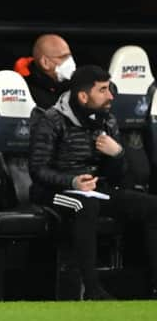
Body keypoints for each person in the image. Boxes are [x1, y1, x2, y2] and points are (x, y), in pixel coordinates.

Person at [29, 65, 157, 300]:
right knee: (84, 206)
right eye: (103, 90)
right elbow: (37, 170)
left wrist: (117, 154)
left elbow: (118, 177)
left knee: (151, 206)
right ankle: (92, 289)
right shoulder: (51, 120)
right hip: (52, 192)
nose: (111, 96)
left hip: (95, 190)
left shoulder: (107, 121)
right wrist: (73, 181)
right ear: (83, 96)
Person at [14, 34, 76, 109]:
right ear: (45, 63)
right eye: (63, 57)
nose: (70, 62)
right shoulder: (24, 93)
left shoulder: (73, 86)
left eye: (69, 56)